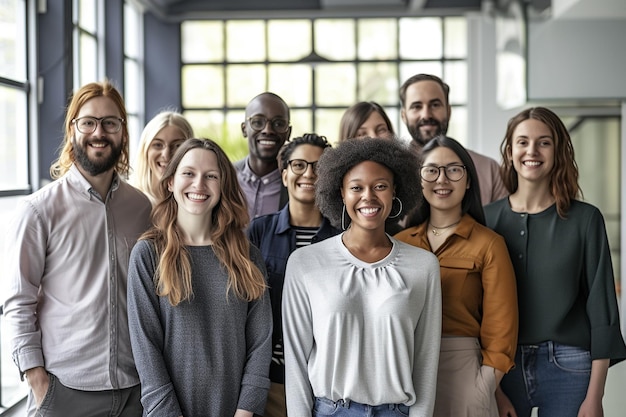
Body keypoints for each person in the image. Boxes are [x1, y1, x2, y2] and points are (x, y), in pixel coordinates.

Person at [2, 79, 152, 417]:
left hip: (134, 391)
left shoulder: (142, 208)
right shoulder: (39, 210)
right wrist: (38, 381)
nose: (99, 132)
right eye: (88, 122)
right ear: (73, 130)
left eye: (110, 123)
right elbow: (18, 303)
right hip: (64, 392)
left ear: (123, 133)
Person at [282, 137, 442, 417]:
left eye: (380, 186)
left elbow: (426, 361)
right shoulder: (305, 263)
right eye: (356, 187)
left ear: (395, 192)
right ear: (340, 193)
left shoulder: (424, 266)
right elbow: (295, 360)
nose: (368, 196)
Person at [484, 107, 626, 417]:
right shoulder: (486, 219)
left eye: (544, 142)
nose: (531, 150)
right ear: (509, 151)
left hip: (569, 364)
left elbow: (602, 309)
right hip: (502, 367)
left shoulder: (585, 219)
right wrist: (492, 389)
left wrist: (595, 396)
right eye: (522, 142)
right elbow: (476, 309)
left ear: (558, 150)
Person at [127, 138, 273, 417]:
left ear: (223, 186)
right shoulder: (147, 254)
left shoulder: (247, 255)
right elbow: (146, 350)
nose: (199, 185)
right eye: (189, 173)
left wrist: (245, 411)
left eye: (211, 176)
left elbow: (260, 341)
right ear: (170, 182)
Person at [395, 135, 518, 417]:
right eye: (431, 170)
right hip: (405, 372)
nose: (442, 179)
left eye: (454, 169)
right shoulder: (399, 244)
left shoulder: (489, 244)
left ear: (469, 180)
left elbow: (502, 329)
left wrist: (484, 387)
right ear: (419, 179)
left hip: (463, 372)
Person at [247, 133, 341, 417]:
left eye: (319, 166)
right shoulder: (259, 231)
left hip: (327, 381)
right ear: (284, 173)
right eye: (299, 165)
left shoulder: (343, 237)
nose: (309, 173)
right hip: (274, 379)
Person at [399, 73, 508, 205]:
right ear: (404, 116)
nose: (426, 115)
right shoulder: (392, 172)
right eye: (417, 106)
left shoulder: (488, 169)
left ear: (449, 111)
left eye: (435, 105)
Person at [235, 92, 292, 219]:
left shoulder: (297, 183)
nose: (268, 130)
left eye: (278, 123)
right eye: (257, 122)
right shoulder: (225, 177)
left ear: (288, 132)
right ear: (244, 129)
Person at [130, 110, 194, 205]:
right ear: (145, 150)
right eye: (158, 145)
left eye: (177, 146)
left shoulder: (195, 202)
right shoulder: (129, 201)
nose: (166, 154)